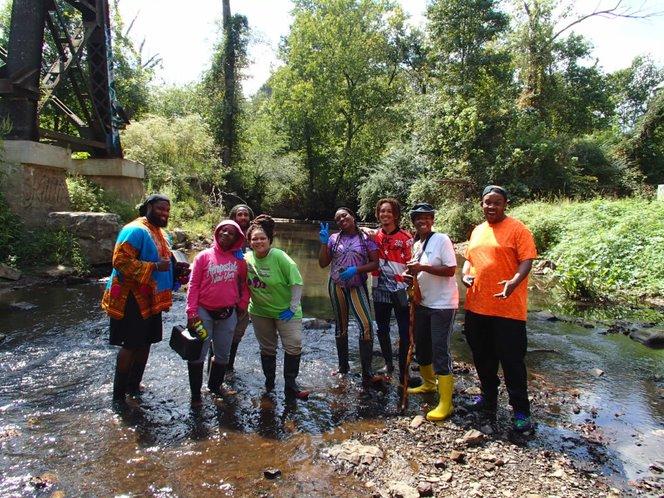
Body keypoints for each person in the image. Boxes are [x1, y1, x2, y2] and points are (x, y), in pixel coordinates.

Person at [462, 185, 537, 433]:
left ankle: (520, 412)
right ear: (481, 204)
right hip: (477, 306)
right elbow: (470, 261)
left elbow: (527, 259)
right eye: (487, 202)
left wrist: (514, 282)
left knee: (512, 361)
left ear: (505, 204)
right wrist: (465, 275)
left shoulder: (518, 229)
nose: (491, 206)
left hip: (508, 309)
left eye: (496, 202)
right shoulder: (478, 230)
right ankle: (488, 399)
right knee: (482, 357)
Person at [102, 194, 189, 405]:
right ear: (148, 207)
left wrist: (176, 270)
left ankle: (134, 386)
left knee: (146, 342)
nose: (164, 213)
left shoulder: (161, 233)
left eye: (167, 210)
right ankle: (119, 395)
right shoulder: (135, 230)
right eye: (160, 209)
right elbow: (119, 261)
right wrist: (153, 267)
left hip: (152, 299)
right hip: (131, 298)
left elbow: (164, 262)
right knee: (131, 344)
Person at [318, 207, 385, 385]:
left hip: (357, 285)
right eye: (337, 219)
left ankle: (367, 373)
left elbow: (375, 264)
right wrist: (324, 243)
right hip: (337, 285)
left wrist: (357, 269)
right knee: (341, 327)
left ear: (352, 216)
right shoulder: (334, 238)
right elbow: (323, 263)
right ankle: (343, 368)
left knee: (366, 325)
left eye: (344, 216)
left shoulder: (366, 238)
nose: (341, 220)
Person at [185, 220, 249, 406]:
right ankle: (196, 395)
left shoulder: (239, 260)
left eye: (230, 233)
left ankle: (215, 387)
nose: (226, 234)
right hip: (203, 313)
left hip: (228, 314)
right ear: (216, 233)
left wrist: (242, 305)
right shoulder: (203, 257)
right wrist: (191, 312)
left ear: (237, 238)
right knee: (198, 355)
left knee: (222, 355)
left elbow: (244, 285)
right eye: (222, 231)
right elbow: (193, 285)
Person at [404, 203, 459, 421]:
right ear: (413, 222)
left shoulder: (442, 239)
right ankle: (428, 384)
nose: (422, 221)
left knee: (439, 350)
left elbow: (450, 269)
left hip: (443, 305)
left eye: (426, 218)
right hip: (423, 303)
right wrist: (410, 276)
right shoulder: (416, 243)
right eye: (418, 218)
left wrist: (422, 269)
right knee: (422, 346)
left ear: (432, 220)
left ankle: (446, 403)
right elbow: (416, 271)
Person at [245, 215, 309, 399]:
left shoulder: (279, 256)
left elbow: (297, 282)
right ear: (249, 242)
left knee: (293, 346)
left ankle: (291, 385)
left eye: (262, 238)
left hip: (286, 311)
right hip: (259, 312)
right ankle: (269, 384)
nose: (259, 241)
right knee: (267, 349)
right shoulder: (247, 259)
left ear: (270, 240)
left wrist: (292, 307)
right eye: (254, 239)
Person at [370, 198, 413, 383]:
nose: (385, 214)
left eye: (388, 211)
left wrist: (412, 285)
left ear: (395, 214)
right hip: (379, 287)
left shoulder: (405, 237)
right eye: (382, 211)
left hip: (400, 289)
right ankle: (389, 363)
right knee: (382, 328)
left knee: (404, 331)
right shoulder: (374, 236)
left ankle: (404, 366)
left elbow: (413, 263)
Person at [226, 203, 254, 372]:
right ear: (234, 217)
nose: (243, 217)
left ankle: (229, 366)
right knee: (221, 332)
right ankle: (215, 368)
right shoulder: (228, 232)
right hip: (227, 287)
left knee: (237, 333)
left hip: (246, 291)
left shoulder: (254, 235)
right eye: (239, 214)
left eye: (245, 215)